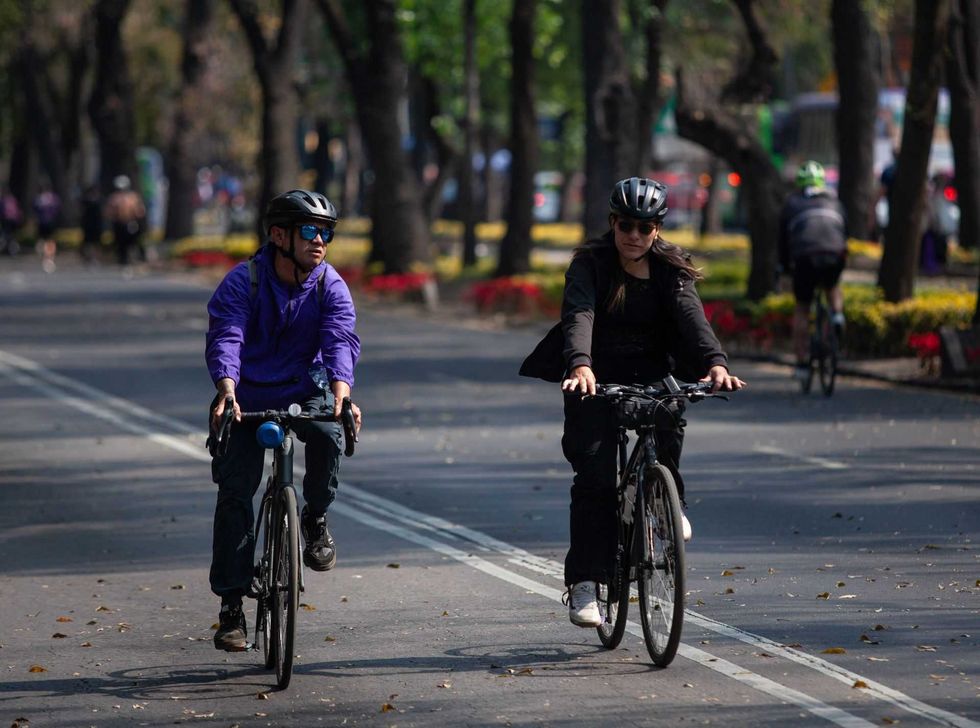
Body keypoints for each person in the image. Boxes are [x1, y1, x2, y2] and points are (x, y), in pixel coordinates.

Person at [520, 176, 745, 628]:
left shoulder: (672, 270)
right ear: (612, 223)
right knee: (595, 480)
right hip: (593, 377)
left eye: (645, 228)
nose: (634, 236)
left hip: (652, 373)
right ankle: (585, 583)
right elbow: (578, 314)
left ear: (658, 230)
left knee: (671, 416)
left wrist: (715, 363)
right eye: (626, 225)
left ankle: (664, 505)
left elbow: (692, 318)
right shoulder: (591, 264)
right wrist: (580, 365)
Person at [205, 188, 362, 651]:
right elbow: (226, 336)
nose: (320, 241)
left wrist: (341, 392)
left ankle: (315, 519)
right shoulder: (243, 282)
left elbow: (339, 338)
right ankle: (231, 609)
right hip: (245, 395)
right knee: (236, 494)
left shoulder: (330, 283)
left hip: (305, 389)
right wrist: (226, 390)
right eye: (311, 231)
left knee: (330, 432)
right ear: (279, 235)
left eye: (327, 233)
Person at [778, 161, 848, 381]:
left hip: (805, 257)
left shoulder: (791, 204)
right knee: (833, 285)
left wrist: (784, 267)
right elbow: (845, 231)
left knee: (802, 308)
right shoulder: (835, 201)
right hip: (834, 253)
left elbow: (782, 241)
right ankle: (837, 316)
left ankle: (801, 364)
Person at [104, 175, 146, 266]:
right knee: (120, 242)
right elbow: (109, 212)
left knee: (136, 240)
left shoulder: (133, 197)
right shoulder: (114, 198)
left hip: (132, 222)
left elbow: (140, 210)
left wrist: (137, 216)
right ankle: (123, 259)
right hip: (119, 223)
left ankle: (141, 257)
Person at [33, 185, 61, 273]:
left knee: (44, 241)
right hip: (49, 222)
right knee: (49, 241)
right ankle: (49, 258)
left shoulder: (39, 199)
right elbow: (57, 208)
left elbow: (35, 209)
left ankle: (46, 257)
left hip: (43, 222)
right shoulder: (52, 198)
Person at [80, 185, 104, 264]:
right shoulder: (85, 201)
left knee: (96, 243)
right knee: (88, 243)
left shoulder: (99, 201)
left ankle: (96, 258)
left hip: (96, 225)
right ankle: (88, 258)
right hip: (88, 225)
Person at [0, 186, 22, 256]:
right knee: (11, 235)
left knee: (5, 234)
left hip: (7, 220)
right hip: (14, 220)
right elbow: (18, 211)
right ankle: (13, 249)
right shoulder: (13, 199)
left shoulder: (3, 200)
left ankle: (9, 248)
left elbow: (2, 211)